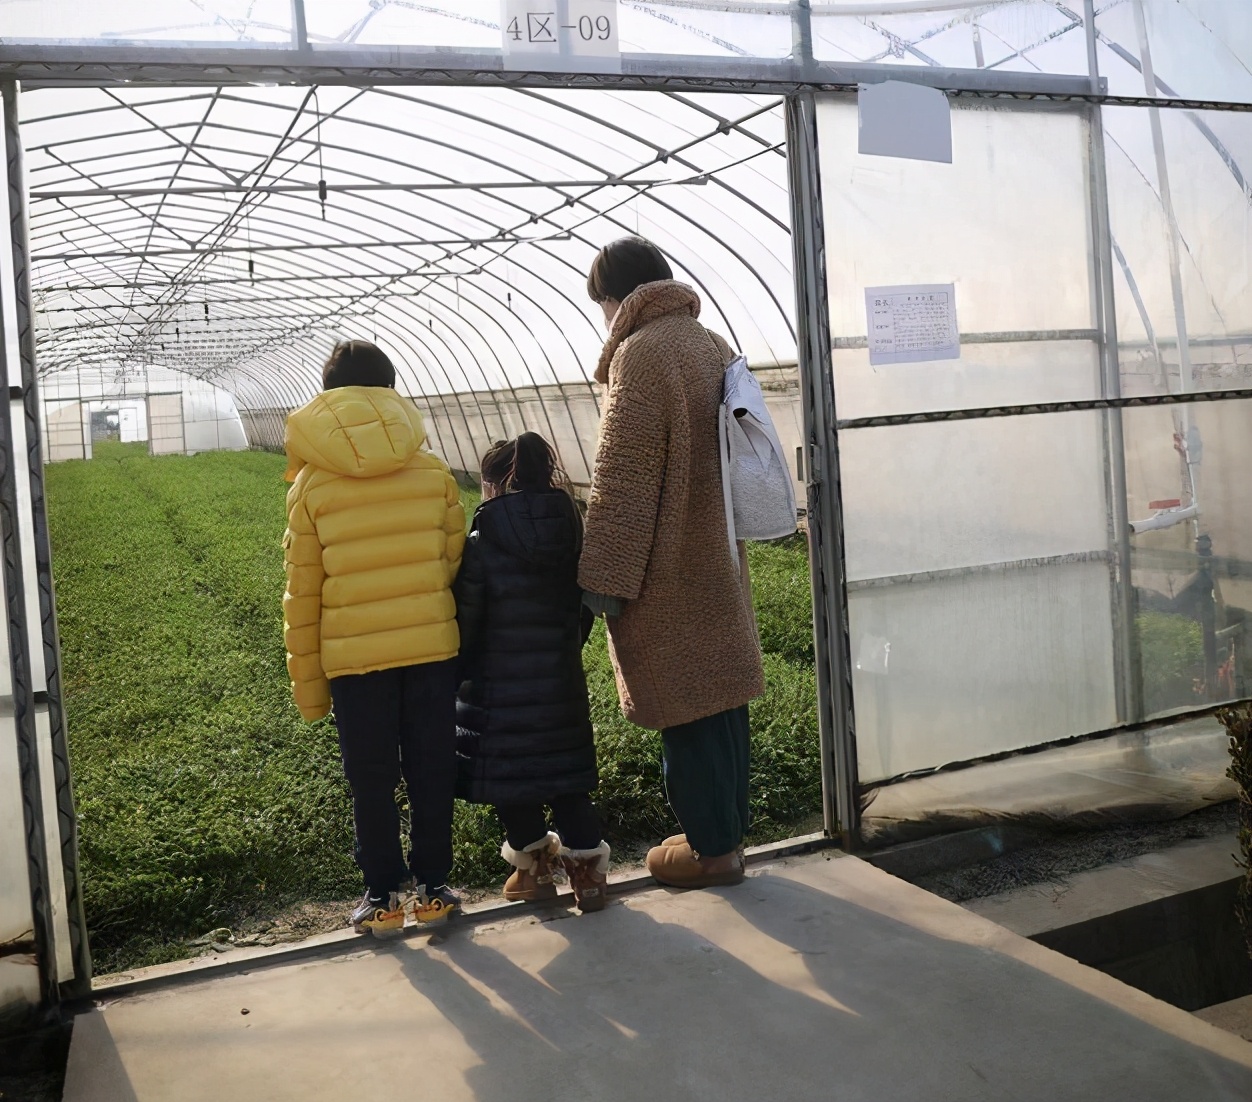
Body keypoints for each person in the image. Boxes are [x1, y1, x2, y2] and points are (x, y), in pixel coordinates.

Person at [578, 236, 765, 890]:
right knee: (722, 700)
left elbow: (623, 478)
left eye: (600, 302)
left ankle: (712, 854)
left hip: (671, 566)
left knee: (684, 709)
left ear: (615, 298)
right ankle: (726, 840)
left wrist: (602, 580)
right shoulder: (709, 344)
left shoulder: (640, 354)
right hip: (717, 552)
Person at [282, 339, 466, 937]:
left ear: (329, 395)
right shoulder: (434, 471)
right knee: (432, 768)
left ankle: (383, 899)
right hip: (431, 651)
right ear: (391, 390)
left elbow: (303, 593)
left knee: (371, 777)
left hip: (355, 662)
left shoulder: (310, 485)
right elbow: (453, 563)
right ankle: (435, 889)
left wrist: (309, 687)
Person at [454, 433, 609, 912]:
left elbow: (466, 621)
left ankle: (534, 871)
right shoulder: (573, 528)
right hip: (560, 681)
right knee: (568, 779)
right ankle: (588, 878)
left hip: (496, 689)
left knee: (512, 780)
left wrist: (458, 674)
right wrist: (560, 650)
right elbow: (583, 607)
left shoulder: (482, 542)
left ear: (495, 484)